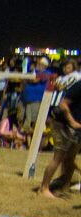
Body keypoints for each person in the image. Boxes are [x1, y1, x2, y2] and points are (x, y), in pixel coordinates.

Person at [37, 67, 81, 199]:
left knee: (70, 157)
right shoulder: (79, 85)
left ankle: (64, 185)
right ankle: (43, 188)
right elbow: (63, 104)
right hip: (61, 122)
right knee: (59, 157)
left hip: (75, 125)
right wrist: (72, 122)